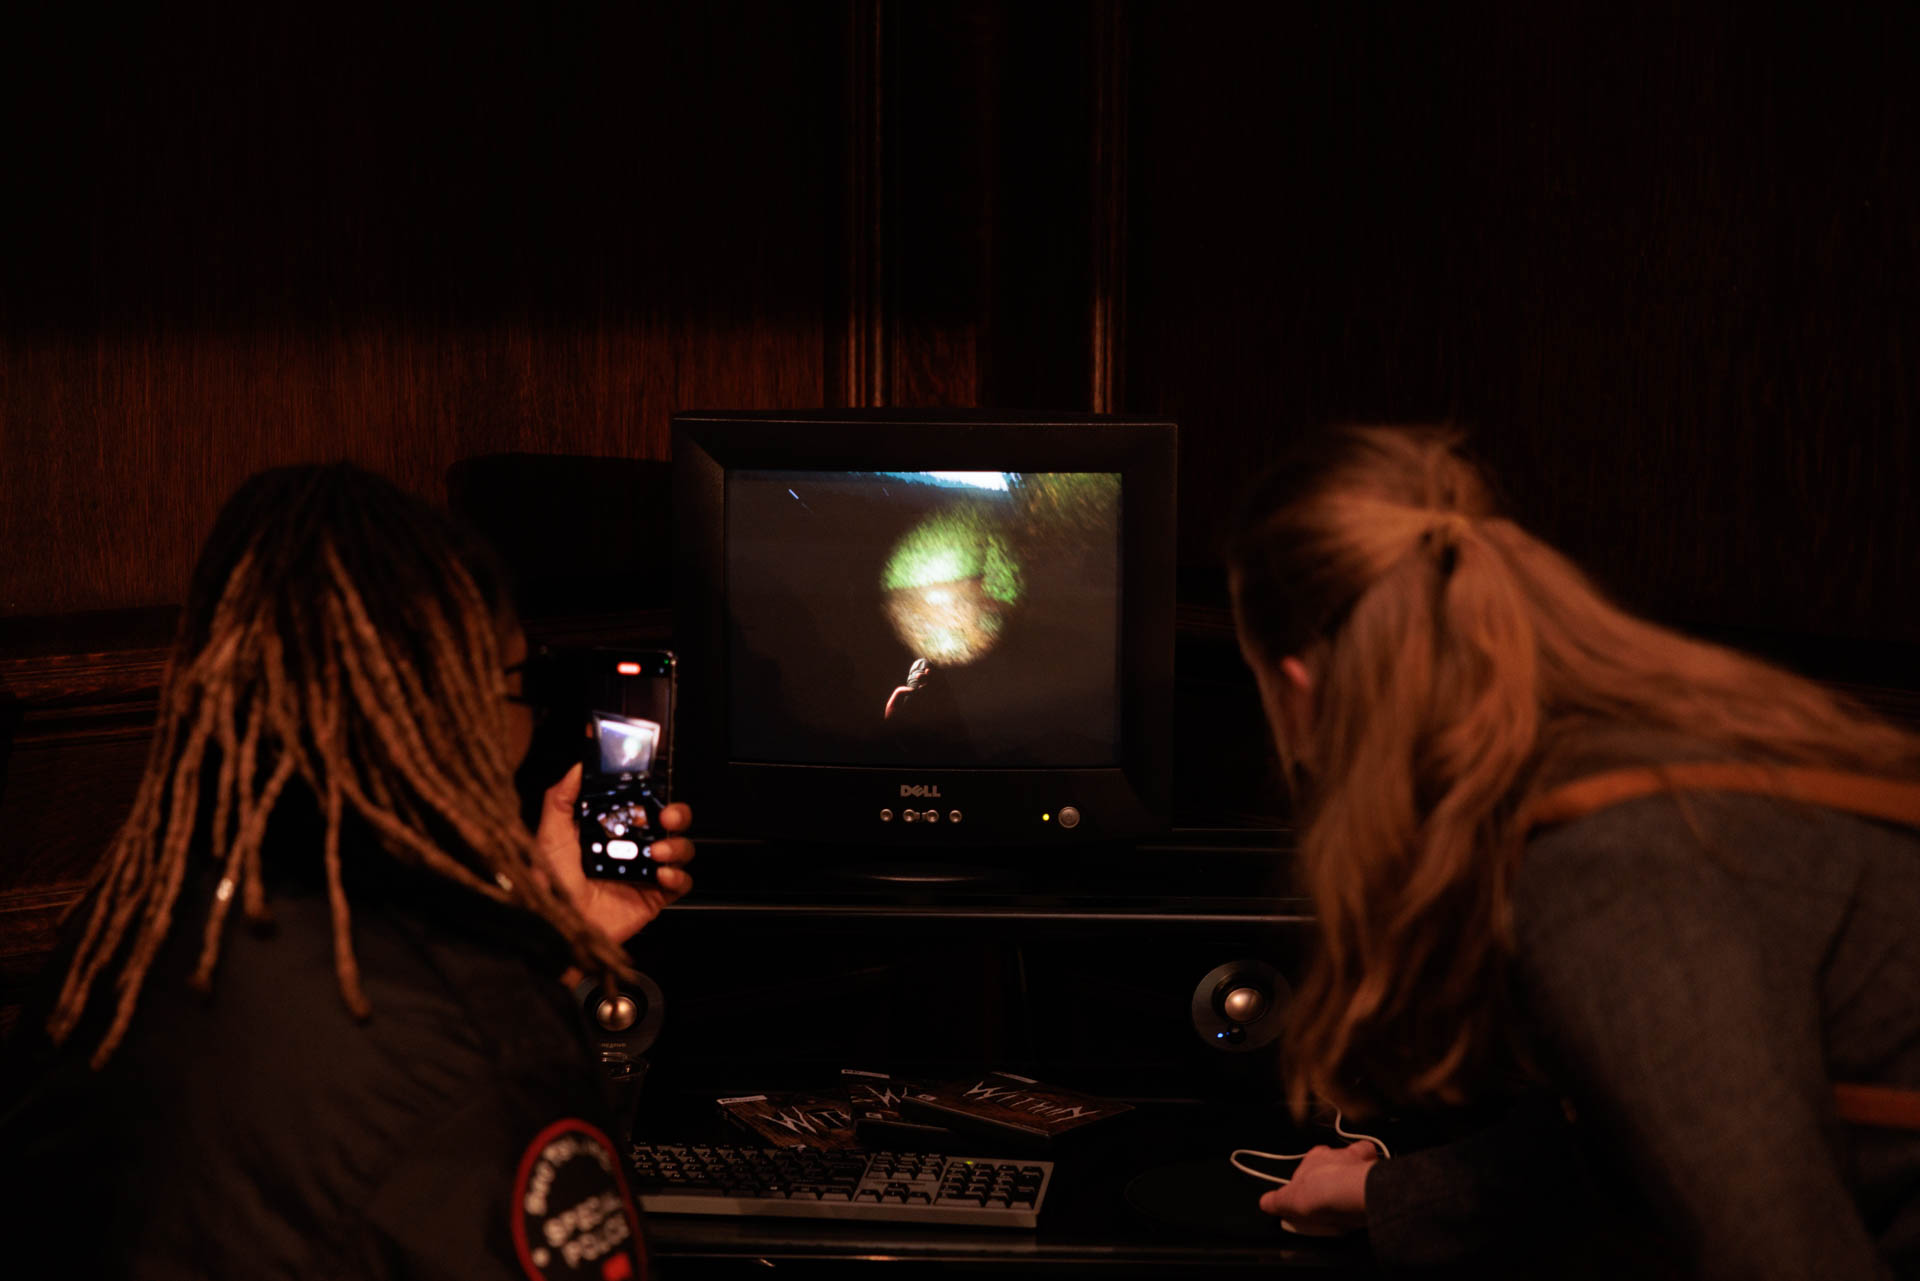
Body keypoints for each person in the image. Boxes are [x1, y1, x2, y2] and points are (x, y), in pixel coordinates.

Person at [1225, 427, 1920, 1278]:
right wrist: (1388, 1196)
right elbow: (1642, 1130)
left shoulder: (1606, 868)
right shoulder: (1619, 745)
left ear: (1296, 690)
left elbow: (1782, 1251)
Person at [0, 464, 695, 1279]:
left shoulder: (113, 945)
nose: (530, 718)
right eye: (521, 681)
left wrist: (549, 939)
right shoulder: (479, 1046)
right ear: (451, 707)